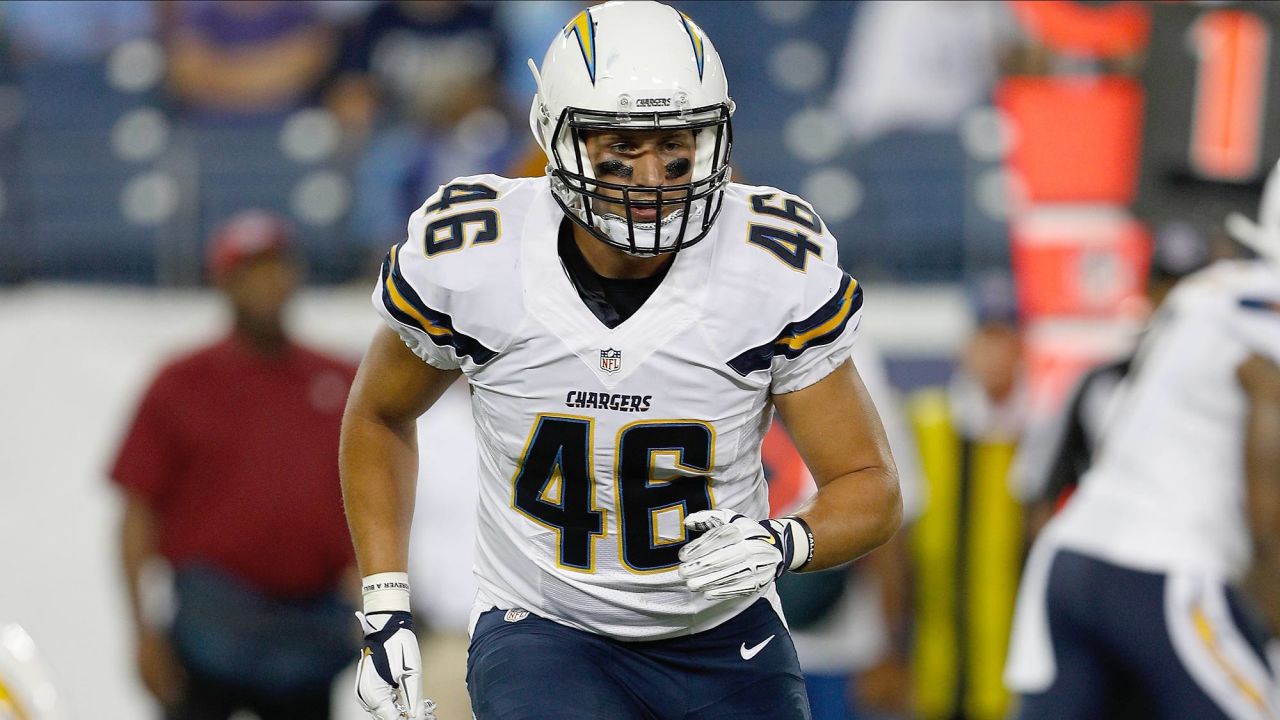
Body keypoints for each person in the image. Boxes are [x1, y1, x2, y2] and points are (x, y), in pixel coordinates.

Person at [339, 3, 903, 719]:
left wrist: (783, 541)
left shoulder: (766, 263)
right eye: (620, 147)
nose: (651, 176)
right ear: (556, 138)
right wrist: (385, 605)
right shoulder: (479, 250)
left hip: (721, 633)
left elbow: (869, 484)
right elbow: (380, 415)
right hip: (544, 629)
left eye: (677, 145)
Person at [1004, 161, 1280, 718]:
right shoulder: (1261, 315)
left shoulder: (1209, 293)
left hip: (1074, 560)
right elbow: (1269, 497)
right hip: (1162, 571)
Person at [111, 211, 358, 720]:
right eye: (249, 271)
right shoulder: (181, 382)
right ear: (223, 283)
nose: (266, 284)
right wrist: (140, 632)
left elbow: (372, 497)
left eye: (275, 267)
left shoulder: (340, 381)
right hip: (211, 624)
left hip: (309, 630)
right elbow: (136, 511)